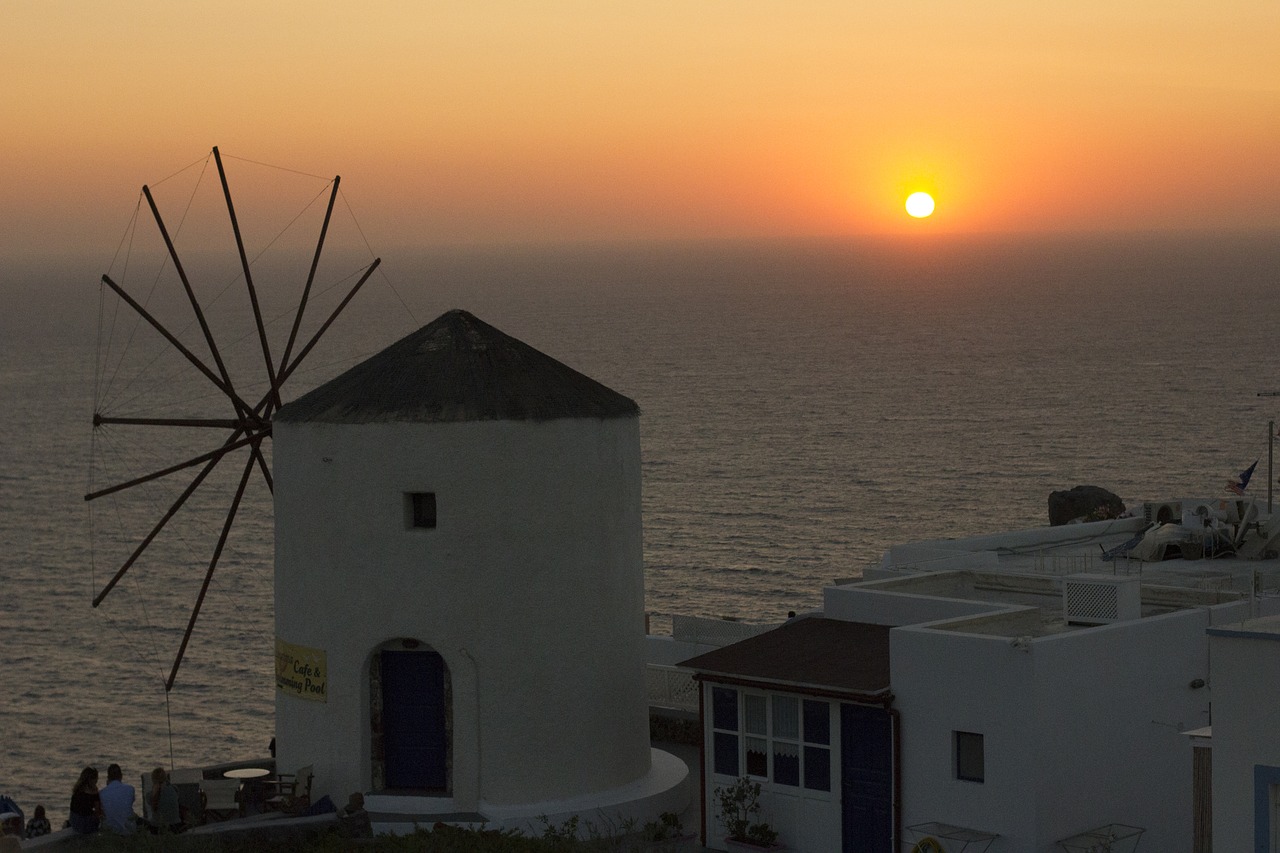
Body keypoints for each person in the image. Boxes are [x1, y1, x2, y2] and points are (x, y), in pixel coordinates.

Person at [98, 763, 137, 834]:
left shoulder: (101, 793)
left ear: (108, 777)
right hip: (129, 829)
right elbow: (130, 802)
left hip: (110, 830)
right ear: (121, 776)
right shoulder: (130, 789)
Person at [146, 767, 182, 834]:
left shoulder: (150, 795)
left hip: (157, 828)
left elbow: (150, 802)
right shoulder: (175, 789)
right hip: (175, 826)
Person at [68, 766, 102, 834]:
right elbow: (97, 810)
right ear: (91, 779)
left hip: (74, 820)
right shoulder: (93, 792)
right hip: (84, 822)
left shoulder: (77, 790)